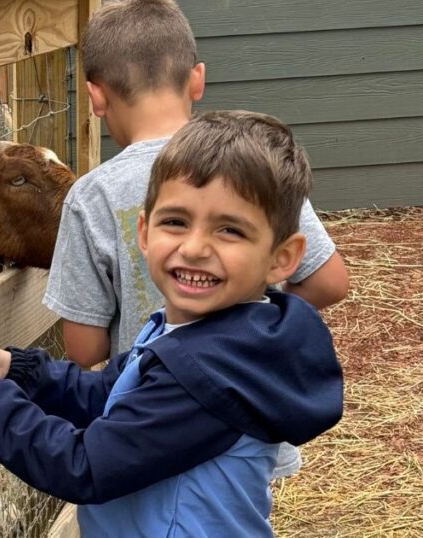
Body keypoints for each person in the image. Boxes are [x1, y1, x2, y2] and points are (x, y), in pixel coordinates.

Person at [0, 111, 345, 537]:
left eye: (230, 230)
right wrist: (11, 368)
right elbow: (111, 393)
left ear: (282, 259)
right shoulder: (198, 334)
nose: (194, 248)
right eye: (176, 221)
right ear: (143, 233)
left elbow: (82, 467)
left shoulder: (211, 370)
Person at [43, 0, 348, 478]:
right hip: (246, 430)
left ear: (95, 98)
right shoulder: (250, 164)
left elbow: (85, 350)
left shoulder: (91, 196)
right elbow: (330, 281)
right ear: (197, 79)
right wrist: (244, 330)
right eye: (174, 225)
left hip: (145, 430)